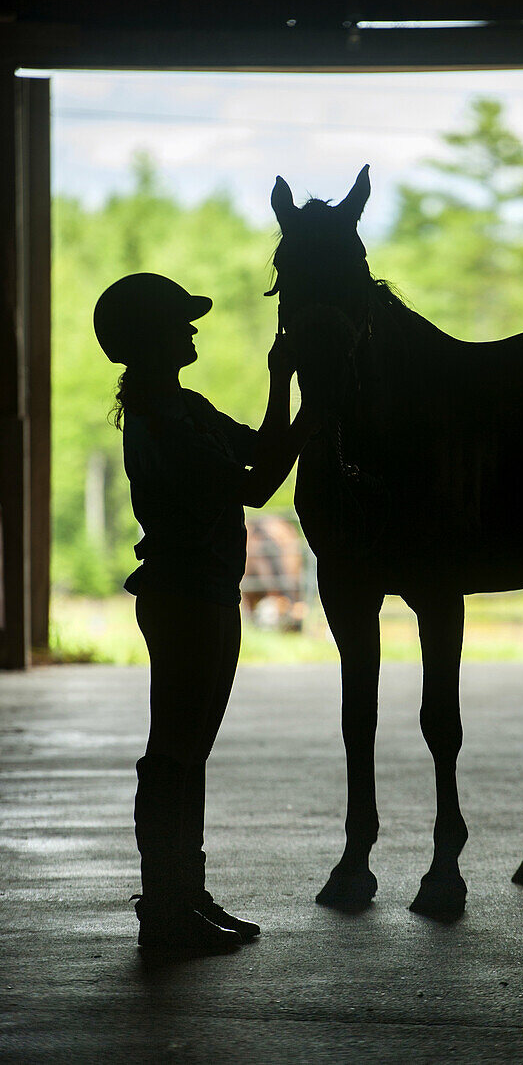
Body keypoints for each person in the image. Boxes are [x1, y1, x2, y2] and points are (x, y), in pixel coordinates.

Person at [94, 272, 314, 952]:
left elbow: (260, 454)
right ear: (151, 337)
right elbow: (261, 483)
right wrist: (307, 396)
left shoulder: (182, 408)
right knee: (175, 754)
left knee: (189, 753)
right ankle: (165, 908)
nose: (191, 330)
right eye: (179, 322)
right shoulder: (167, 420)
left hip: (204, 592)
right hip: (186, 595)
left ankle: (182, 894)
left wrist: (286, 385)